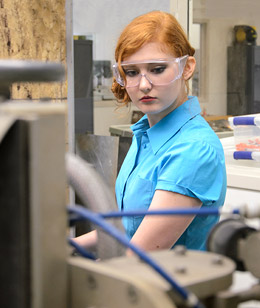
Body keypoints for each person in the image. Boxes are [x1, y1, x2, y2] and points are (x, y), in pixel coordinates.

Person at [74, 10, 226, 255]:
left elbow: (139, 256)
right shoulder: (146, 135)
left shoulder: (192, 148)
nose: (143, 84)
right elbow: (127, 227)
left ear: (186, 68)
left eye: (157, 69)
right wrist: (61, 249)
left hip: (167, 288)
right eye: (132, 72)